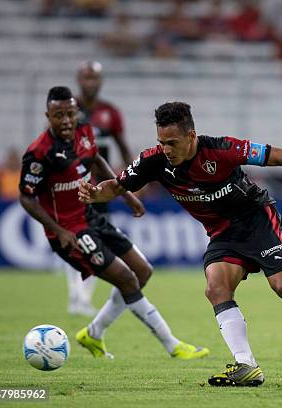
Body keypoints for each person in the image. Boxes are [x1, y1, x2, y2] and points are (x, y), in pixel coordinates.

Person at [78, 101, 282, 387]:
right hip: (222, 233)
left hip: (256, 220)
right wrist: (97, 193)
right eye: (161, 142)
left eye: (172, 142)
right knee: (216, 287)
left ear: (191, 136)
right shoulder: (154, 161)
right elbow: (118, 186)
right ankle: (246, 365)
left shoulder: (222, 149)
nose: (166, 149)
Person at [19, 86, 209, 362]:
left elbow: (95, 158)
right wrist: (58, 230)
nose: (66, 120)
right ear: (48, 115)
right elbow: (26, 197)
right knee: (127, 279)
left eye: (70, 113)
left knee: (142, 271)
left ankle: (93, 334)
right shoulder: (39, 153)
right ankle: (173, 345)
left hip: (90, 215)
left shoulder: (84, 131)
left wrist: (127, 194)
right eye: (58, 115)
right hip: (69, 231)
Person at [65, 60, 132, 316]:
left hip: (100, 188)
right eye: (85, 78)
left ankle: (82, 298)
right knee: (74, 240)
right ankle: (75, 296)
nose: (89, 82)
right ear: (78, 80)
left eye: (94, 78)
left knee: (98, 240)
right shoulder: (68, 110)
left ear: (100, 81)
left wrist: (133, 179)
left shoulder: (110, 113)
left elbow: (123, 147)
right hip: (71, 185)